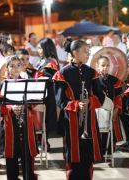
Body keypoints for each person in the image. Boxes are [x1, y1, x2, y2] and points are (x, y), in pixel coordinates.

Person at [53, 40, 105, 180]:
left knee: (88, 156)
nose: (88, 54)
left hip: (89, 119)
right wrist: (76, 105)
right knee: (73, 157)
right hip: (70, 120)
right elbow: (59, 100)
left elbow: (101, 96)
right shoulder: (62, 73)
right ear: (75, 52)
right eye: (85, 51)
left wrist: (89, 102)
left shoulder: (92, 72)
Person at [0, 55, 38, 179]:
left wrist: (26, 105)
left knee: (27, 154)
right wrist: (11, 108)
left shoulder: (28, 83)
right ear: (7, 68)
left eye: (18, 65)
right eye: (12, 66)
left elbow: (34, 100)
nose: (16, 68)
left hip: (26, 122)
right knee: (11, 155)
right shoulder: (2, 85)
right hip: (9, 124)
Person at [95, 56, 125, 156]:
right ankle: (99, 152)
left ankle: (109, 151)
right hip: (97, 112)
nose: (105, 68)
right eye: (103, 65)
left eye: (107, 65)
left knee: (110, 132)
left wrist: (116, 111)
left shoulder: (115, 81)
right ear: (98, 66)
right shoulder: (93, 81)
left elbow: (118, 98)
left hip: (112, 111)